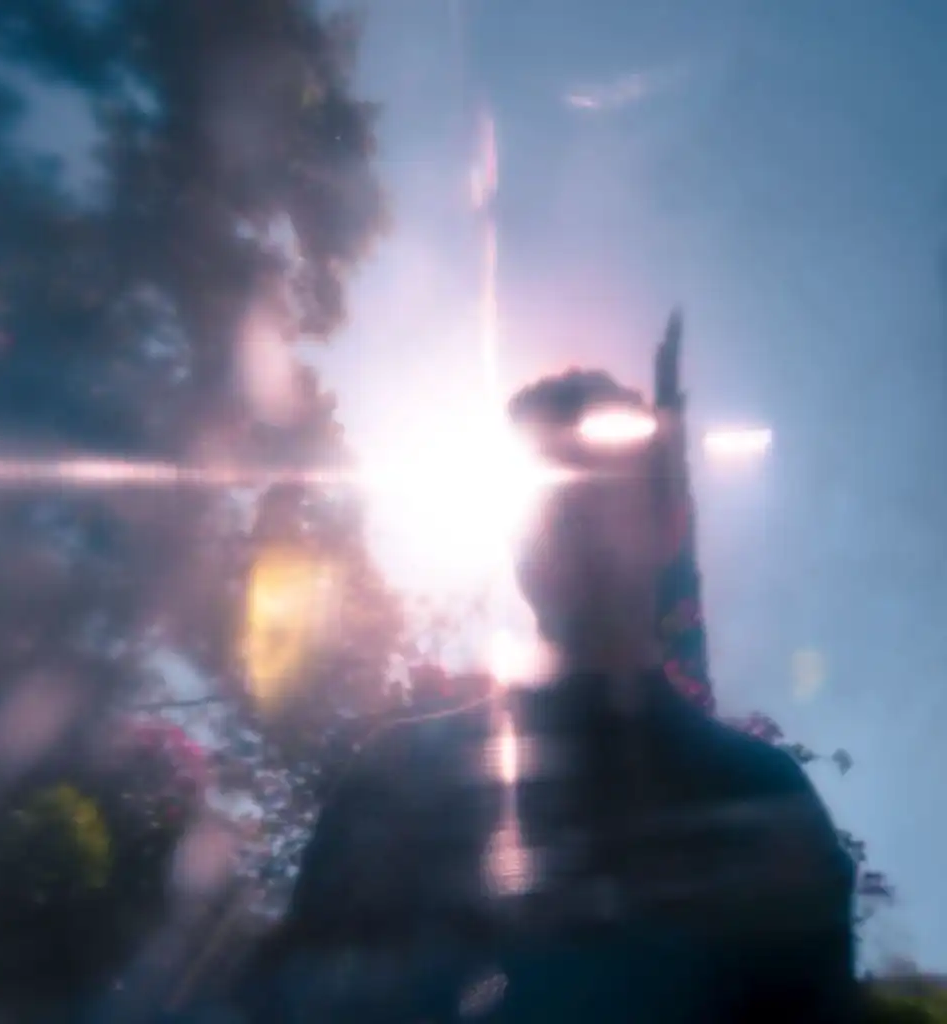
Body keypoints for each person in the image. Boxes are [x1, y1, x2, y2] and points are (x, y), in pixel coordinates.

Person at [241, 320, 858, 1023]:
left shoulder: (764, 800)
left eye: (600, 488)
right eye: (544, 492)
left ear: (670, 528)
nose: (567, 514)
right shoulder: (395, 783)